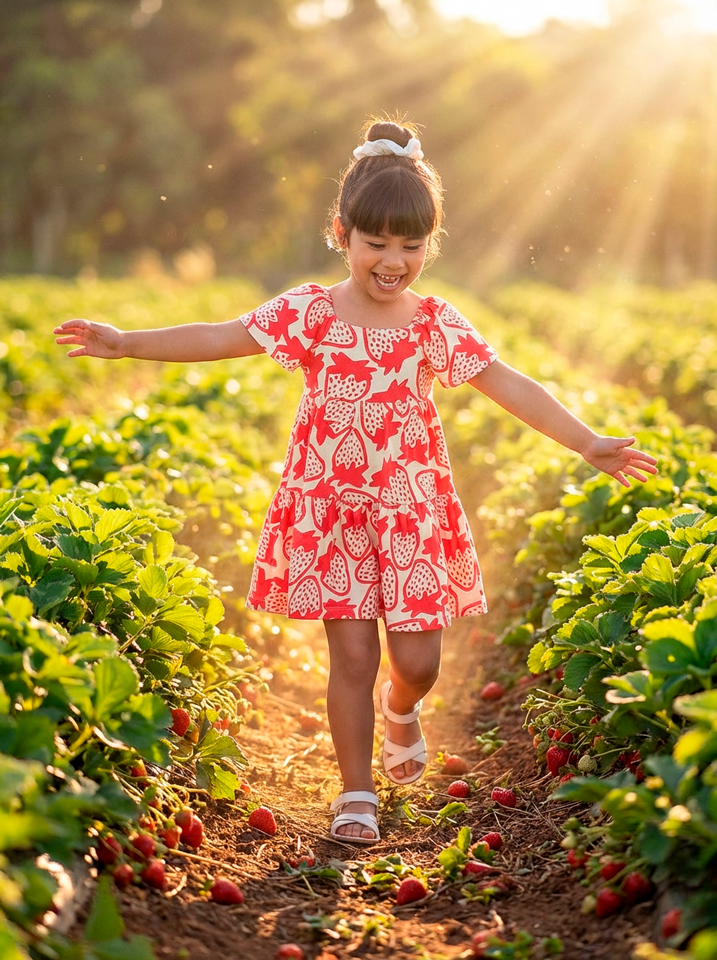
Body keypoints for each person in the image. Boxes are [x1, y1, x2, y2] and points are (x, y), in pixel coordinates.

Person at [55, 118, 658, 846]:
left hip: (408, 510)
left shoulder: (433, 322)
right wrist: (127, 344)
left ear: (429, 244)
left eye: (411, 246)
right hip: (329, 509)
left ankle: (401, 711)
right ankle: (356, 793)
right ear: (341, 234)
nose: (393, 261)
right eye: (376, 243)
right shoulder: (311, 311)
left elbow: (507, 382)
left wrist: (587, 440)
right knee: (350, 656)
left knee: (416, 661)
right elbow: (221, 335)